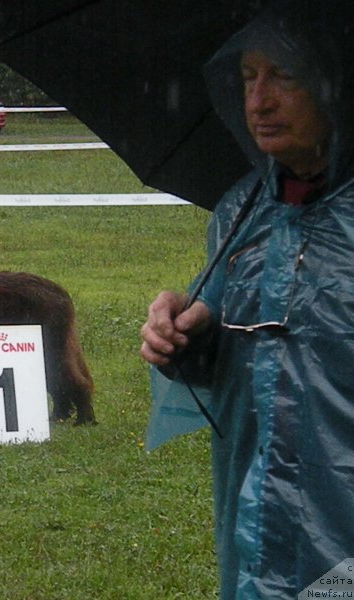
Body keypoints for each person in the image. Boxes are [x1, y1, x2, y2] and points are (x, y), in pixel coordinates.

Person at [140, 2, 354, 598]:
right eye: (246, 78)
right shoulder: (240, 211)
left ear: (338, 83)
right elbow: (235, 360)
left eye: (283, 76)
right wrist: (185, 333)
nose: (258, 101)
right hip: (258, 512)